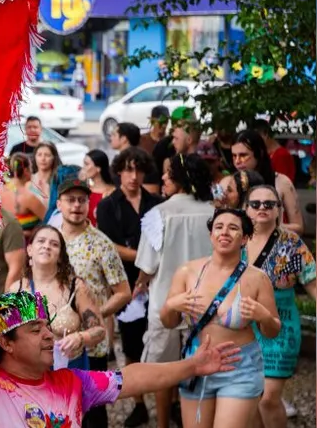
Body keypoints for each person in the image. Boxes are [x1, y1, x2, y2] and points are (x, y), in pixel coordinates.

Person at [0, 286, 243, 427]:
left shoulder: (72, 383)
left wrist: (193, 366)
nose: (49, 335)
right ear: (7, 344)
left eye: (48, 326)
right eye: (36, 330)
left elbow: (134, 378)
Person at [161, 208, 281, 428]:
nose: (224, 232)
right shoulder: (187, 272)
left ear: (244, 238)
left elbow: (273, 331)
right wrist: (171, 305)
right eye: (219, 227)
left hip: (239, 367)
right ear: (211, 235)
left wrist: (263, 316)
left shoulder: (257, 278)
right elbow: (168, 322)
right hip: (196, 364)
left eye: (233, 228)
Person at [133, 153, 216, 428]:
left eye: (169, 173)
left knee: (162, 370)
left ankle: (163, 424)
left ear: (181, 178)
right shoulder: (215, 212)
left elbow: (147, 265)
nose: (163, 178)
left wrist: (140, 283)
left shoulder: (158, 214)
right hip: (207, 305)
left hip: (165, 304)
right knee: (205, 367)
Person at [95, 147, 165, 427]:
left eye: (138, 170)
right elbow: (109, 246)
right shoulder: (108, 205)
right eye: (128, 170)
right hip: (127, 283)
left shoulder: (156, 203)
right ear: (119, 171)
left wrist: (151, 262)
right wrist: (145, 257)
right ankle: (138, 402)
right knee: (133, 346)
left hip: (158, 282)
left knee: (162, 341)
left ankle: (167, 400)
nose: (133, 176)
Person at [55, 179, 131, 428]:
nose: (76, 205)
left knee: (93, 412)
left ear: (89, 204)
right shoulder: (50, 239)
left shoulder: (101, 244)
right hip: (57, 342)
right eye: (70, 199)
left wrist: (96, 314)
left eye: (81, 200)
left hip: (92, 345)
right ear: (59, 204)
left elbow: (123, 292)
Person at [242, 186, 316, 428]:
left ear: (279, 210)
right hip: (242, 325)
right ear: (245, 209)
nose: (262, 208)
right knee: (250, 398)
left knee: (269, 399)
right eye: (255, 204)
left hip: (281, 324)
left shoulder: (292, 243)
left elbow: (315, 286)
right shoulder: (235, 239)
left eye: (269, 204)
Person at [11, 225, 107, 370]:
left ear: (61, 255)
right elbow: (7, 337)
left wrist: (80, 338)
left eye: (54, 244)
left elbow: (99, 331)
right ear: (30, 250)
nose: (47, 246)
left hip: (71, 371)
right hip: (31, 374)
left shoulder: (76, 287)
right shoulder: (16, 290)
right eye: (41, 241)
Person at [231, 130, 303, 234]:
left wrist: (270, 227)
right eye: (234, 156)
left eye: (243, 155)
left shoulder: (281, 182)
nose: (237, 161)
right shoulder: (231, 183)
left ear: (259, 153)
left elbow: (298, 227)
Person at [0, 153, 47, 243]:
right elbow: (48, 220)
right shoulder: (28, 197)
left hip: (0, 245)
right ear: (26, 170)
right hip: (22, 245)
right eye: (31, 168)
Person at [79, 150, 115, 226]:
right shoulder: (85, 189)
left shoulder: (111, 192)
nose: (84, 168)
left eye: (87, 164)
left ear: (98, 168)